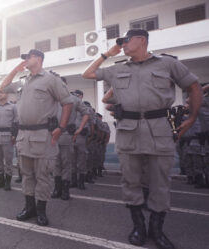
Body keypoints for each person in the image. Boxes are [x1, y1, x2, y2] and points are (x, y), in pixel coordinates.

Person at [82, 29, 202, 249]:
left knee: (160, 184)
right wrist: (108, 53)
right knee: (131, 182)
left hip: (160, 130)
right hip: (129, 131)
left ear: (142, 40)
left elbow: (194, 86)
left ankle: (157, 230)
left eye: (127, 40)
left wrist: (193, 117)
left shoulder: (167, 64)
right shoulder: (117, 69)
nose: (124, 44)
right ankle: (138, 226)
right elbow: (88, 74)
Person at [0, 49, 74, 226]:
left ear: (38, 58)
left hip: (43, 135)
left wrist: (61, 127)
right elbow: (3, 87)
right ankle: (29, 207)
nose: (25, 60)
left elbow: (67, 102)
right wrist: (16, 70)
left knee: (42, 176)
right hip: (24, 135)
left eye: (28, 57)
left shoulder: (51, 79)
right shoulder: (22, 81)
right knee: (27, 175)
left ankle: (41, 210)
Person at [53, 91, 89, 200]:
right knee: (55, 163)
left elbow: (86, 113)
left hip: (67, 134)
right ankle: (57, 188)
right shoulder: (52, 98)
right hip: (53, 134)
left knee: (67, 162)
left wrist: (80, 128)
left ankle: (65, 189)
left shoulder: (74, 99)